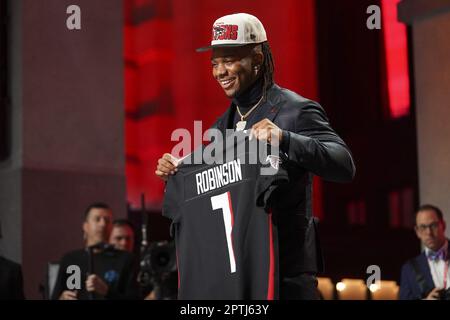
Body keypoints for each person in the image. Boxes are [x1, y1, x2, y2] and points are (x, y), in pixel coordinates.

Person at [155, 13, 355, 299]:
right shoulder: (219, 127)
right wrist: (177, 171)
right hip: (237, 277)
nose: (219, 72)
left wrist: (285, 138)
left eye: (229, 61)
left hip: (287, 274)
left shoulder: (294, 111)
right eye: (214, 64)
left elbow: (344, 165)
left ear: (258, 59)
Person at [52, 203, 138, 300]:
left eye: (107, 220)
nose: (103, 224)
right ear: (86, 226)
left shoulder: (125, 259)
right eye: (97, 219)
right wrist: (62, 298)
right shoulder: (71, 259)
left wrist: (107, 292)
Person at [399, 204, 450, 300]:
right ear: (417, 232)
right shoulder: (408, 269)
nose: (429, 233)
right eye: (423, 227)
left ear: (443, 225)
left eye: (433, 225)